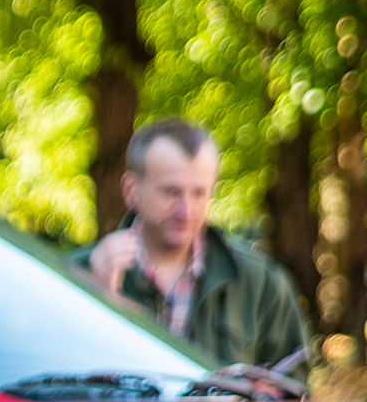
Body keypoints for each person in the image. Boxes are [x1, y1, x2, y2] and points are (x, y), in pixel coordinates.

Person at [74, 117, 310, 372]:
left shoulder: (262, 282)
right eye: (171, 192)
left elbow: (294, 389)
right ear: (131, 190)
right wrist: (101, 303)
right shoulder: (77, 273)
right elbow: (54, 384)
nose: (186, 210)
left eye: (199, 193)